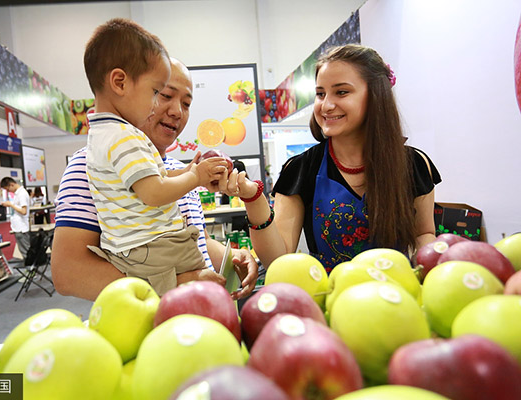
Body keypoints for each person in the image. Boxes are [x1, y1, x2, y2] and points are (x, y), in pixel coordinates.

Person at [52, 56, 258, 301]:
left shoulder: (179, 171)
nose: (176, 111)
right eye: (164, 95)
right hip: (145, 327)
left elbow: (190, 239)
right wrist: (177, 284)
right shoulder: (88, 167)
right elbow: (68, 273)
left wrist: (229, 255)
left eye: (186, 103)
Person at [223, 44, 441, 273]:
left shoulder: (413, 165)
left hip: (397, 297)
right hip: (331, 301)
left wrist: (427, 264)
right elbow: (278, 260)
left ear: (377, 95)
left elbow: (423, 233)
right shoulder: (300, 169)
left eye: (342, 92)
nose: (326, 105)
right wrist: (253, 199)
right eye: (320, 94)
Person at [82, 18, 235, 296]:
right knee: (212, 293)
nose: (175, 111)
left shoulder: (103, 136)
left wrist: (190, 174)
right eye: (159, 93)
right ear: (119, 82)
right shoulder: (124, 138)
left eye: (187, 103)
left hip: (138, 251)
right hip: (151, 253)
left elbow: (156, 178)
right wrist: (195, 177)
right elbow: (153, 192)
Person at [0, 177, 31, 260]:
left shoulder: (22, 194)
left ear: (12, 185)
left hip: (21, 228)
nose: (8, 191)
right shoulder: (18, 194)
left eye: (7, 189)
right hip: (19, 227)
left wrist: (11, 205)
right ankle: (31, 268)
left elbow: (23, 211)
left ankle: (31, 269)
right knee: (24, 250)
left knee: (26, 251)